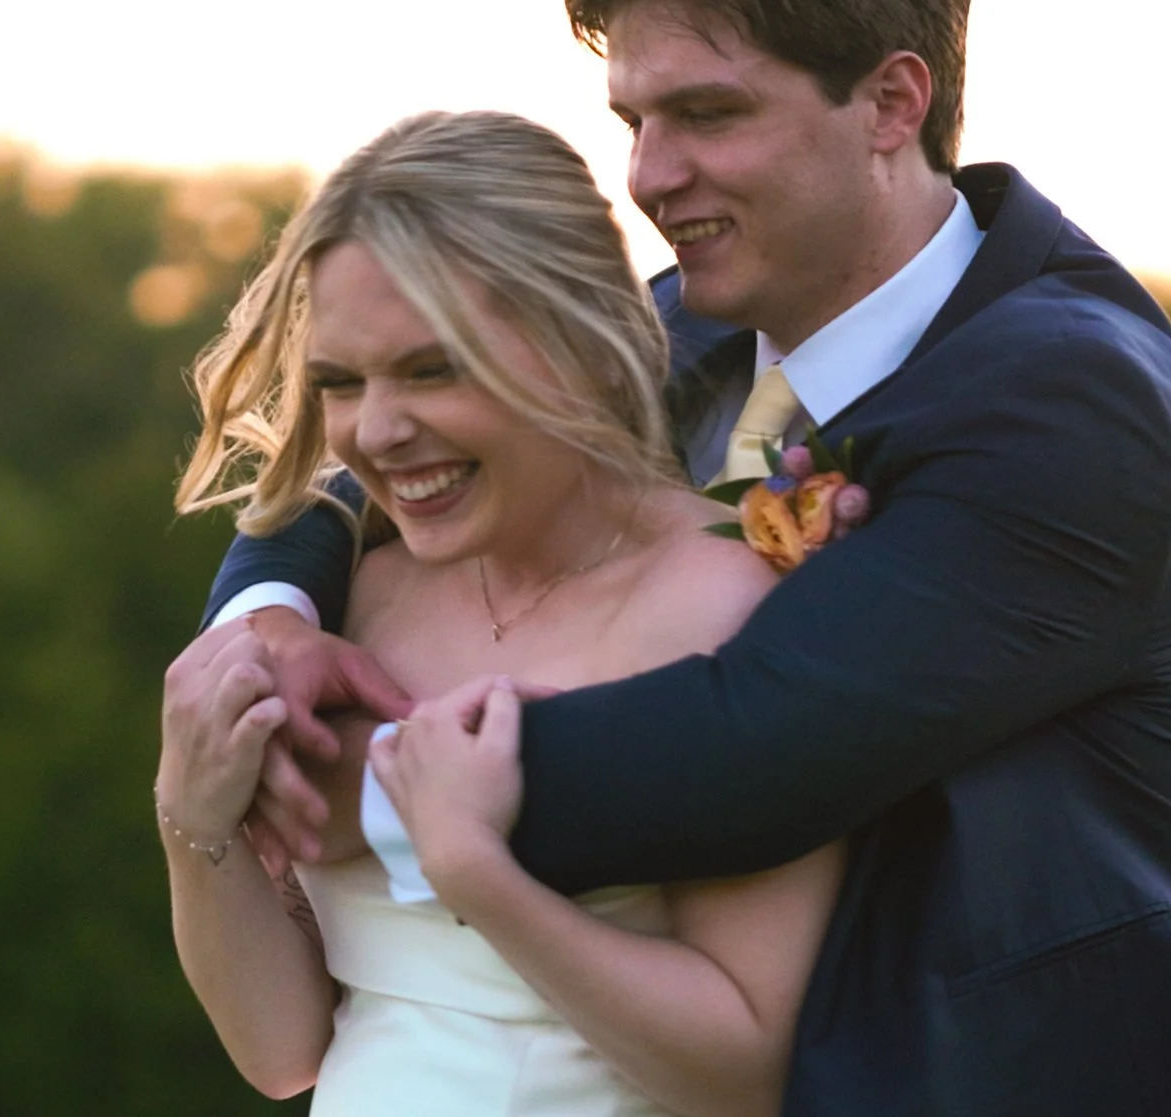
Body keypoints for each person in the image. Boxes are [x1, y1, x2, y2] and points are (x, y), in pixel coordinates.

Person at [181, 0, 1171, 1112]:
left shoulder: (1070, 400)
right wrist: (262, 626)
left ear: (891, 102)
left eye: (708, 114)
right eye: (633, 122)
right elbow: (384, 457)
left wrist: (337, 772)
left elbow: (752, 746)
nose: (648, 175)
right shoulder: (683, 326)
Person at [156, 109, 844, 1116]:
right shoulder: (355, 603)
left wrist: (476, 874)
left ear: (582, 342)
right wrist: (188, 812)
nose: (377, 430)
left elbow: (742, 1072)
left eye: (433, 368)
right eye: (341, 382)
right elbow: (283, 1049)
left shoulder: (725, 604)